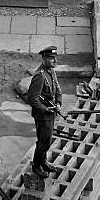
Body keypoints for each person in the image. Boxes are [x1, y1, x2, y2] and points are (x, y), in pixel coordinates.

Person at [26, 46, 63, 178]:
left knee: (46, 140)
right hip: (43, 115)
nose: (55, 61)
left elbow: (57, 89)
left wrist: (58, 103)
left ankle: (43, 161)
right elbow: (32, 98)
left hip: (51, 112)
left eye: (55, 58)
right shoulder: (39, 76)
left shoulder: (51, 72)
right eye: (52, 58)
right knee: (43, 141)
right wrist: (45, 109)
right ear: (44, 59)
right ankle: (36, 165)